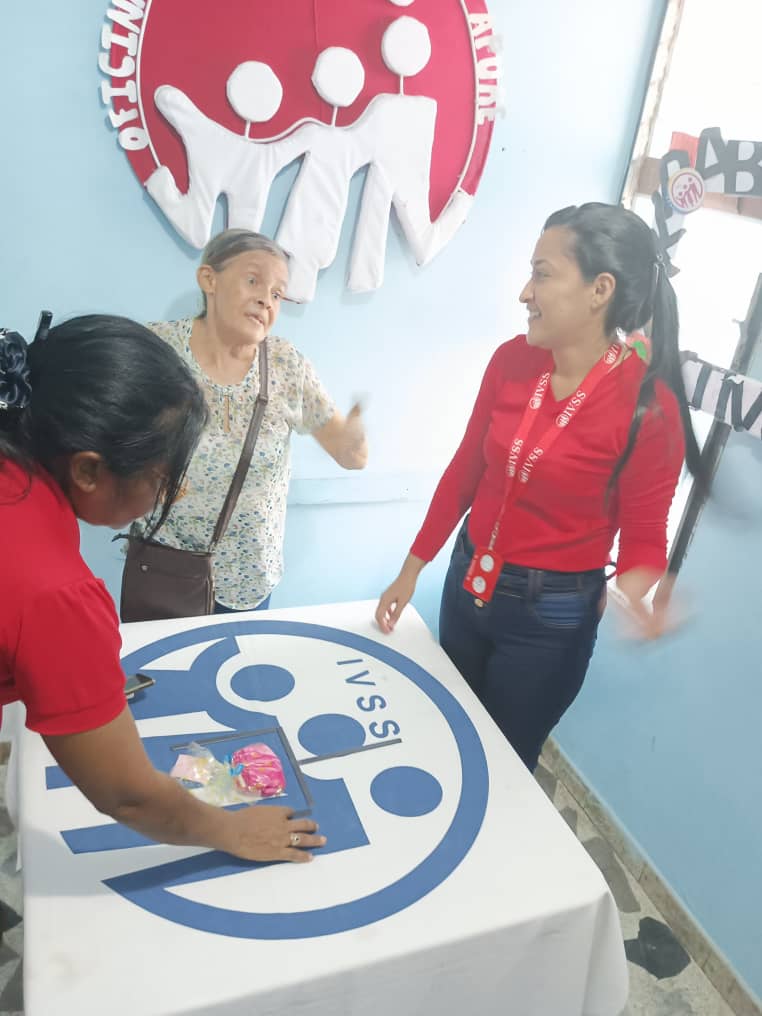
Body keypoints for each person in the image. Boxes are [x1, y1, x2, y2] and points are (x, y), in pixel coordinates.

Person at [375, 202, 705, 771]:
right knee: (446, 738)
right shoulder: (511, 361)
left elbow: (645, 534)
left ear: (600, 289)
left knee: (501, 767)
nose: (525, 293)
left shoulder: (651, 409)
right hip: (467, 581)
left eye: (543, 274)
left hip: (549, 620)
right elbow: (464, 474)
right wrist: (412, 568)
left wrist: (640, 596)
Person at [0, 314, 325, 862]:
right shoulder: (54, 594)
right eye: (163, 477)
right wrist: (234, 831)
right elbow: (127, 795)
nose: (176, 490)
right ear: (88, 470)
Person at [132, 229, 368, 613]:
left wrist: (354, 438)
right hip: (163, 571)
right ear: (209, 279)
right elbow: (109, 435)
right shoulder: (156, 352)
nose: (266, 299)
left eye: (277, 293)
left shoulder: (286, 365)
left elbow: (349, 455)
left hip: (248, 583)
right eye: (253, 280)